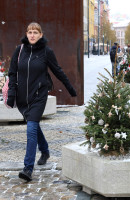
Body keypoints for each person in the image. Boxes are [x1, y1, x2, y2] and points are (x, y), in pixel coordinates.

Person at [7, 22, 77, 182]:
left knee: (30, 128)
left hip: (39, 96)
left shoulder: (46, 52)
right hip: (22, 98)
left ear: (40, 35)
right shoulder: (19, 51)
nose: (32, 35)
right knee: (34, 126)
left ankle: (28, 168)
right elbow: (12, 73)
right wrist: (11, 93)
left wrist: (70, 88)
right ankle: (45, 151)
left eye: (35, 32)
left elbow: (58, 71)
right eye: (29, 32)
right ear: (26, 34)